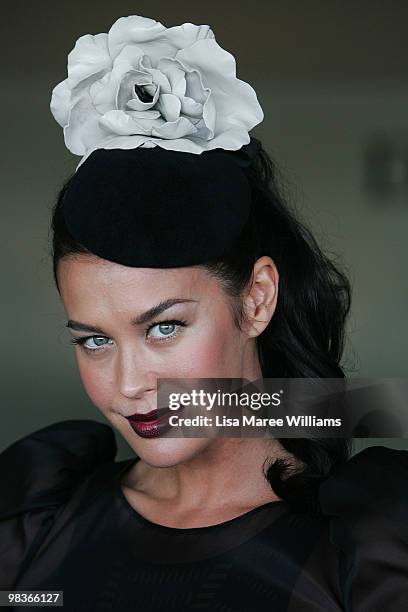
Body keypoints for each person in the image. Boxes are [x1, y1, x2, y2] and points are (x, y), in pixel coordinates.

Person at [1, 14, 407, 611]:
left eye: (163, 328)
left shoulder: (365, 545)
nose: (130, 385)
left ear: (257, 298)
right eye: (94, 341)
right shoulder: (37, 516)